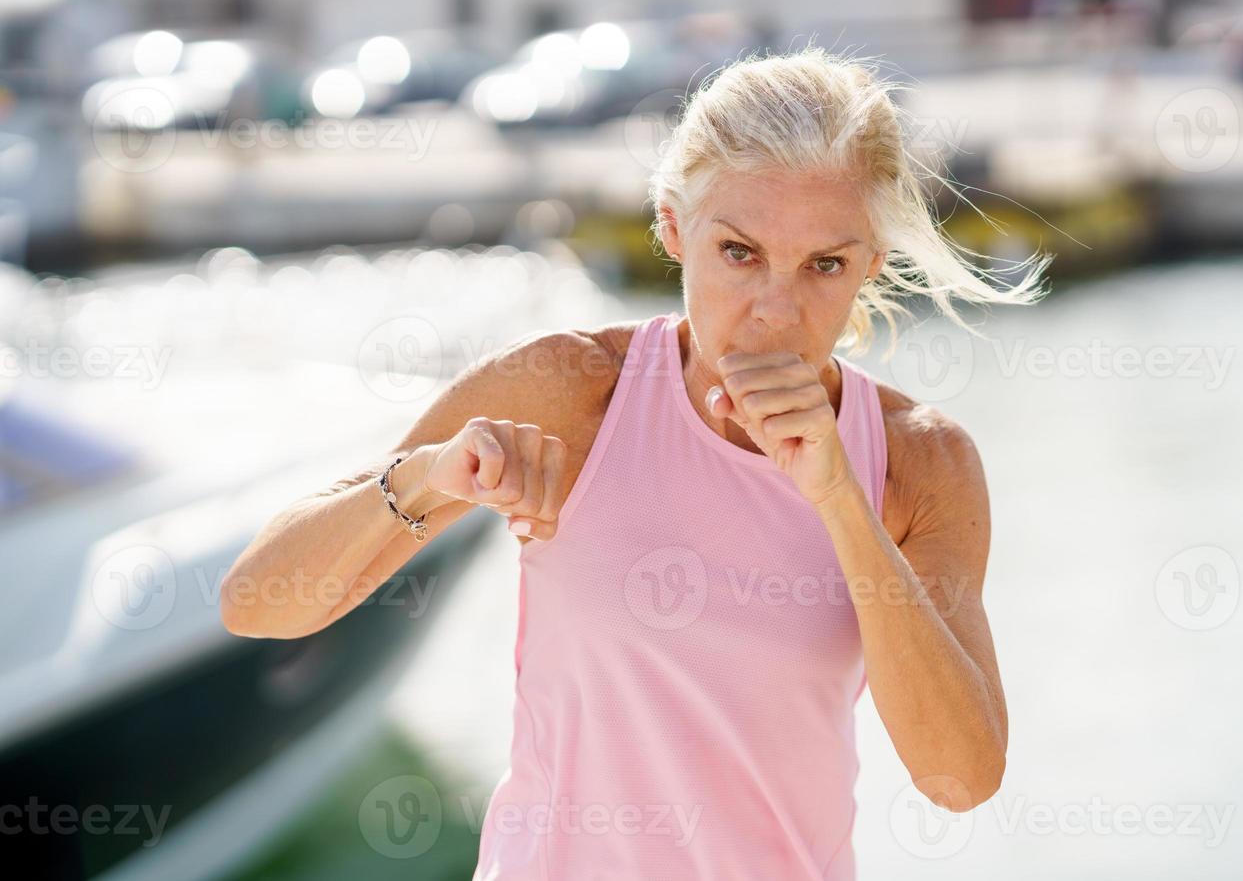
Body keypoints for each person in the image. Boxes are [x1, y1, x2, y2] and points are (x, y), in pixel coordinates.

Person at [220, 45, 1051, 879]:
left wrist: (839, 500)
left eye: (824, 266)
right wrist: (427, 476)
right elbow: (258, 603)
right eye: (739, 253)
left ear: (871, 264)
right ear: (673, 228)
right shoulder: (575, 393)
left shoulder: (918, 460)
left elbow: (962, 779)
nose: (775, 311)